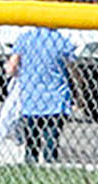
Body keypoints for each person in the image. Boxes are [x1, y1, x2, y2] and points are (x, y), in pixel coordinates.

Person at [7, 27, 76, 164]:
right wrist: (80, 87)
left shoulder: (25, 39)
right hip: (56, 99)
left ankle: (31, 162)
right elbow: (72, 67)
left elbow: (11, 68)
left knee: (32, 140)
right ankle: (50, 163)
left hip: (30, 98)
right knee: (52, 138)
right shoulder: (61, 40)